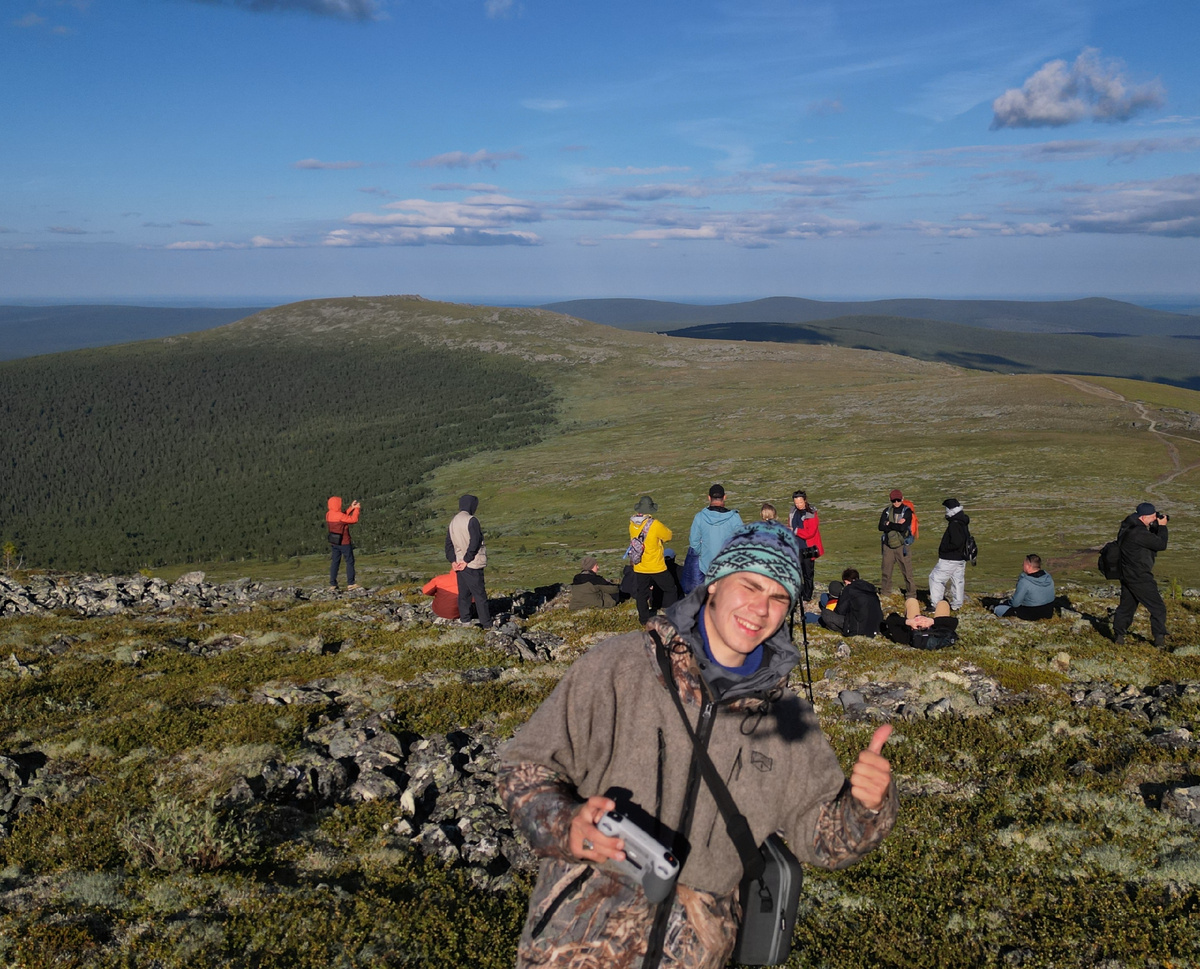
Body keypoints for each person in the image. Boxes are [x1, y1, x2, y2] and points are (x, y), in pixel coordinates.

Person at [497, 522, 897, 969]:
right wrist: (564, 823)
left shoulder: (788, 718)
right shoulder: (617, 666)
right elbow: (524, 767)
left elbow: (824, 841)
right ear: (714, 585)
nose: (761, 608)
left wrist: (867, 806)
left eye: (779, 596)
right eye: (749, 585)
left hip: (696, 954)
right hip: (574, 942)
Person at [1112, 502, 1170, 647]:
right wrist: (1162, 526)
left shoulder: (1128, 526)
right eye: (1152, 517)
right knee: (1158, 608)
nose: (1154, 519)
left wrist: (1155, 526)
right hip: (1139, 575)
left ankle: (1119, 636)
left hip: (1126, 573)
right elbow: (1160, 544)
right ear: (1143, 517)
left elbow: (1149, 540)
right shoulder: (1138, 533)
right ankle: (1159, 639)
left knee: (1127, 607)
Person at [629, 495, 679, 623]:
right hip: (656, 565)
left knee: (642, 593)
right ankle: (671, 615)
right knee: (670, 588)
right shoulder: (654, 524)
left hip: (640, 565)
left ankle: (644, 619)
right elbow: (668, 535)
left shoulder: (632, 524)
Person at [445, 494, 492, 627]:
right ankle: (487, 624)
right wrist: (467, 559)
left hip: (459, 564)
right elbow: (475, 542)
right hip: (472, 563)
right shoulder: (472, 520)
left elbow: (448, 545)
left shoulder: (453, 522)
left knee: (464, 594)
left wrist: (453, 561)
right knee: (479, 595)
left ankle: (465, 620)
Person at [689, 484, 744, 582]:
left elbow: (694, 542)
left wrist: (703, 553)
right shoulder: (734, 518)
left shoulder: (700, 517)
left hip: (707, 566)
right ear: (724, 497)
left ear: (709, 498)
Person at [928, 497, 971, 610]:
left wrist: (944, 548)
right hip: (961, 558)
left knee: (936, 578)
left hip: (950, 558)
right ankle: (957, 605)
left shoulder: (954, 524)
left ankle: (936, 605)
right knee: (958, 580)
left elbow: (956, 542)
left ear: (950, 510)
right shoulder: (962, 521)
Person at [878, 489, 915, 598]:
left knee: (907, 573)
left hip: (902, 546)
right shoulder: (887, 511)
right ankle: (885, 594)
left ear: (902, 499)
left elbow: (903, 527)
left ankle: (911, 595)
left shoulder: (907, 511)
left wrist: (889, 524)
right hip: (888, 546)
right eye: (894, 500)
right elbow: (880, 526)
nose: (896, 502)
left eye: (898, 500)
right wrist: (896, 525)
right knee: (886, 571)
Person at [993, 554, 1055, 620]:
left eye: (1024, 564)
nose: (1022, 565)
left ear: (1028, 566)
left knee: (998, 609)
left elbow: (1015, 604)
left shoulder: (1025, 581)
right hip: (1048, 612)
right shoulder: (1048, 576)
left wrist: (1007, 602)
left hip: (1031, 614)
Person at [788, 489, 824, 603]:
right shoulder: (793, 511)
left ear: (805, 500)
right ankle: (799, 593)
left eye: (800, 502)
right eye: (796, 503)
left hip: (809, 547)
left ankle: (807, 596)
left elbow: (810, 533)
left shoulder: (811, 513)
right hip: (796, 546)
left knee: (808, 572)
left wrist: (795, 531)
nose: (798, 505)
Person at [833, 568, 884, 637]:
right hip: (876, 626)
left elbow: (840, 611)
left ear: (846, 581)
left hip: (858, 628)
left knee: (826, 614)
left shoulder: (849, 589)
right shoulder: (871, 589)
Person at [325, 496, 361, 591]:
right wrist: (356, 509)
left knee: (335, 562)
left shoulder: (328, 514)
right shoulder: (340, 516)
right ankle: (351, 583)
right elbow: (353, 520)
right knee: (349, 561)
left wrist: (351, 508)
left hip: (334, 542)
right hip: (344, 542)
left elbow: (342, 517)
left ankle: (333, 584)